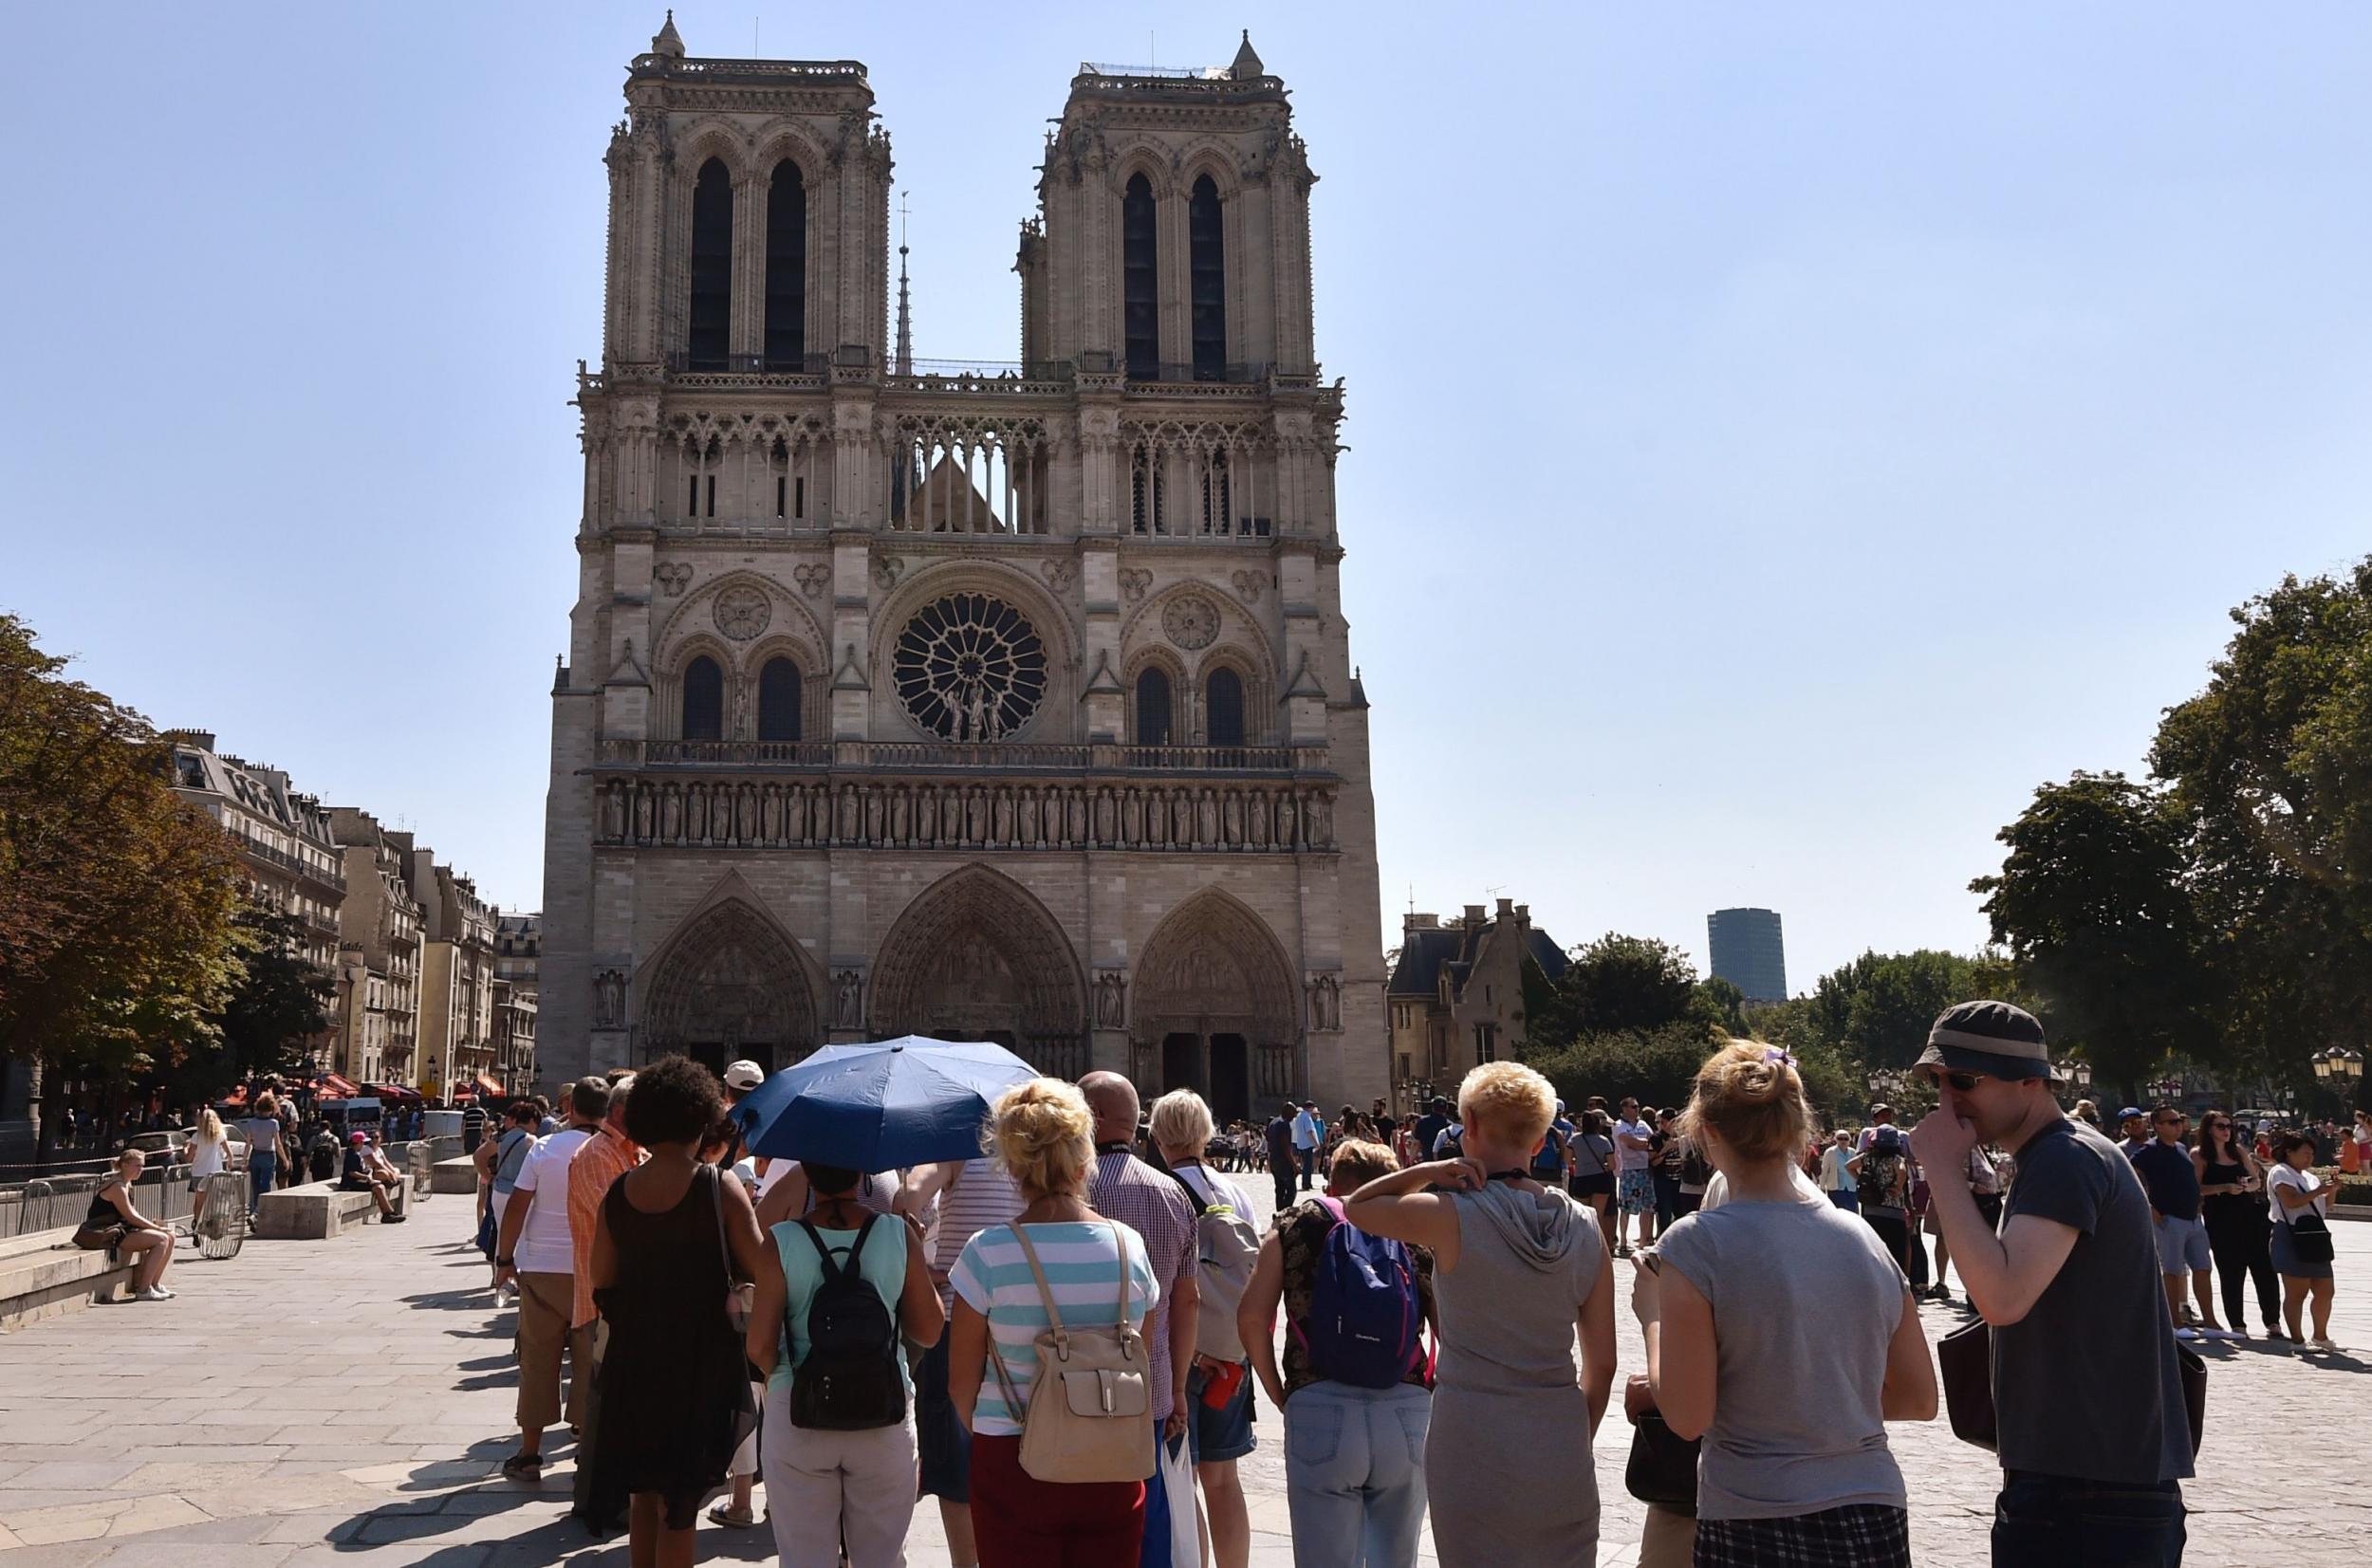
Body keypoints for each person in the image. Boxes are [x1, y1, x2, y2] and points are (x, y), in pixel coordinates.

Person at [1907, 1001, 2191, 1566]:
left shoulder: (2065, 1158)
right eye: (1936, 1082)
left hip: (2089, 1488)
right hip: (2085, 1479)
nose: (1947, 1100)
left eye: (1963, 1079)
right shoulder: (2058, 1155)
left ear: (2031, 1081)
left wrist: (1940, 1169)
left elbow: (2002, 1297)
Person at [1636, 1042, 1935, 1565]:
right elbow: (1917, 1398)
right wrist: (1820, 1401)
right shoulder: (1863, 1239)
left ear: (1706, 1132)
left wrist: (1652, 1315)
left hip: (1755, 1510)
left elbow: (1687, 1415)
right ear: (1798, 1131)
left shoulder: (1695, 1243)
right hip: (1873, 1508)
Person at [1345, 1061, 1615, 1568]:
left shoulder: (1452, 1215)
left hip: (1473, 1433)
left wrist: (1428, 1170)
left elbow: (1357, 1205)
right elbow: (1603, 1364)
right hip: (1557, 1433)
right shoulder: (1584, 1227)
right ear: (1540, 1142)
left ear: (1467, 1126)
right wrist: (1574, 1436)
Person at [947, 1078, 1159, 1568]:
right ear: (1085, 1157)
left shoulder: (987, 1253)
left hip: (1013, 1456)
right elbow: (1138, 1364)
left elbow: (961, 1387)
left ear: (1012, 1165)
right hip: (1111, 1455)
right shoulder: (1130, 1248)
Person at [583, 1056, 765, 1561]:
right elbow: (759, 1267)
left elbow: (601, 1276)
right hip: (698, 1363)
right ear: (700, 1118)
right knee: (680, 1505)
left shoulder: (619, 1192)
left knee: (643, 1495)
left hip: (634, 1359)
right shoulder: (717, 1185)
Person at [1239, 1136, 1436, 1568]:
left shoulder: (1296, 1222)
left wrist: (1281, 1392)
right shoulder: (1414, 1230)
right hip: (1405, 1407)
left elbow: (1252, 1318)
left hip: (1320, 1403)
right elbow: (1451, 1330)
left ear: (1333, 1182)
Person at [749, 1156, 944, 1568]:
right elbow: (929, 1330)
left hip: (800, 1406)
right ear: (861, 1175)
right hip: (883, 1408)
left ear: (805, 1174)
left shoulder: (781, 1240)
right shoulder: (896, 1233)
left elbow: (760, 1346)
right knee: (882, 1558)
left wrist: (778, 1375)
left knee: (804, 1558)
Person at [1080, 1072, 1200, 1568]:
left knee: (1087, 1523)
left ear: (1091, 1118)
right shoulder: (1173, 1195)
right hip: (1149, 1389)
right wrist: (1176, 1390)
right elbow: (1188, 1301)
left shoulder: (1072, 1193)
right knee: (1149, 1521)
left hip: (1076, 1389)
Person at [897, 1153, 1027, 1568]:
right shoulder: (1026, 1159)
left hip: (957, 1321)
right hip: (1016, 1323)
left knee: (957, 1470)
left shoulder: (956, 1156)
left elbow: (905, 1200)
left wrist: (927, 1265)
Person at [1148, 1090, 1255, 1568]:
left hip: (1178, 1352)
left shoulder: (1155, 1189)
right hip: (1230, 1356)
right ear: (1207, 1133)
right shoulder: (1234, 1193)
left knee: (1180, 1476)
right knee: (1224, 1477)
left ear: (1155, 1134)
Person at [493, 1079, 604, 1480]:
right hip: (593, 1270)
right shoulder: (611, 1153)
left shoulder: (543, 1148)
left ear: (570, 1108)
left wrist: (504, 1260)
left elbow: (518, 1206)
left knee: (538, 1360)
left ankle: (530, 1453)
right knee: (590, 1363)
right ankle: (585, 1449)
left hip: (542, 1268)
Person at [2130, 1106, 2229, 1340]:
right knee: (2172, 1270)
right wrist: (2148, 1206)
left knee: (2203, 1268)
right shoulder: (2148, 1151)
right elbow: (2128, 1175)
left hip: (2193, 1218)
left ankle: (2211, 1321)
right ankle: (2173, 1322)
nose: (2178, 1125)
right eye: (2171, 1121)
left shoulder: (2182, 1148)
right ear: (2158, 1126)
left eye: (2179, 1121)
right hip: (2169, 1218)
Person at [2194, 1110, 2279, 1338]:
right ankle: (2237, 1323)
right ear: (2209, 1129)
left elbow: (2255, 1180)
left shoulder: (2238, 1151)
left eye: (2229, 1126)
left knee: (2264, 1268)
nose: (2226, 1131)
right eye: (2221, 1126)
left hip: (2250, 1216)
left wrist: (2247, 1186)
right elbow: (2196, 1188)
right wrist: (2224, 1188)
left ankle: (2272, 1321)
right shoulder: (2200, 1155)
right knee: (2231, 1271)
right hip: (2221, 1220)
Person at [2266, 1131, 2339, 1352]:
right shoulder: (2280, 1172)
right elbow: (2290, 1202)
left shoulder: (2310, 1177)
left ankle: (2320, 1336)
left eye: (2312, 1154)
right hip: (2291, 1232)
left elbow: (2323, 1207)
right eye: (2305, 1153)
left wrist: (2331, 1191)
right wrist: (2318, 1191)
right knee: (2297, 1291)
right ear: (2289, 1152)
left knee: (2325, 1289)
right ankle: (2297, 1340)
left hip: (2315, 1233)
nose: (2309, 1158)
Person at [73, 1149, 176, 1300]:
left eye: (142, 1166)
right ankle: (143, 1290)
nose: (140, 1170)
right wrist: (156, 1228)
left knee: (170, 1236)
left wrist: (154, 1227)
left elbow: (130, 1216)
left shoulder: (127, 1184)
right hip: (105, 1233)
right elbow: (131, 1216)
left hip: (119, 1229)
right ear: (125, 1165)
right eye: (137, 1166)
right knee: (161, 1239)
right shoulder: (118, 1186)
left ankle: (154, 1284)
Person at [1927, 1142, 2001, 1304]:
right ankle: (1973, 1292)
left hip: (1983, 1203)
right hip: (1971, 1203)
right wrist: (1974, 1186)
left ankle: (1979, 1291)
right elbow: (1951, 1175)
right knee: (1971, 1247)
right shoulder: (1960, 1149)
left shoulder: (1980, 1148)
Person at [486, 1102, 540, 1290]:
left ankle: (498, 1278)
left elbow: (483, 1156)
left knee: (502, 1232)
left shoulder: (504, 1138)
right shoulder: (530, 1140)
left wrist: (488, 1177)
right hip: (517, 1192)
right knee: (522, 1235)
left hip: (499, 1190)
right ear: (531, 1121)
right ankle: (516, 1279)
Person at [1567, 1109, 1619, 1252]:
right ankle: (1598, 1247)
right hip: (1600, 1179)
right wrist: (1602, 1165)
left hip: (1582, 1178)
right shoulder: (1604, 1141)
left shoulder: (1574, 1140)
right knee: (1598, 1215)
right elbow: (1612, 1165)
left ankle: (1581, 1246)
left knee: (1582, 1215)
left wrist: (1580, 1161)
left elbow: (1568, 1160)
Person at [1612, 1097, 1656, 1256]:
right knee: (1626, 1207)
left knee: (1647, 1206)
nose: (1636, 1109)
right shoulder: (1619, 1126)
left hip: (1645, 1169)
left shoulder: (1643, 1124)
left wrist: (1641, 1144)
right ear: (1624, 1108)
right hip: (1629, 1171)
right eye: (1633, 1107)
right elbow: (1630, 1143)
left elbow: (1654, 1142)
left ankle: (1642, 1243)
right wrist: (1644, 1144)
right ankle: (1623, 1241)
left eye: (1637, 1107)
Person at [236, 1094, 288, 1220]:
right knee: (265, 1185)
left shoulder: (251, 1123)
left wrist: (244, 1161)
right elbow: (278, 1144)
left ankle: (254, 1210)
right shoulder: (273, 1123)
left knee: (255, 1185)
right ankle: (258, 1213)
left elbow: (248, 1144)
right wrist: (285, 1159)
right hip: (268, 1155)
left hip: (255, 1154)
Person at [184, 1108, 233, 1231]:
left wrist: (184, 1149)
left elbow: (188, 1158)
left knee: (199, 1201)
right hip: (215, 1172)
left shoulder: (196, 1136)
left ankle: (197, 1222)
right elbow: (229, 1153)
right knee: (214, 1200)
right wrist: (230, 1162)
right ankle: (211, 1223)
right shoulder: (220, 1134)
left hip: (199, 1172)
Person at [339, 1132, 402, 1222]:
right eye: (363, 1143)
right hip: (351, 1183)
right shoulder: (351, 1155)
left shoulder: (357, 1153)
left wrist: (369, 1173)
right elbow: (351, 1173)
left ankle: (388, 1213)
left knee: (380, 1186)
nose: (364, 1145)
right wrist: (367, 1178)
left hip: (359, 1180)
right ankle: (388, 1213)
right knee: (379, 1188)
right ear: (358, 1143)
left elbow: (364, 1168)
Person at [1265, 1104, 1300, 1213]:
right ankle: (1285, 1212)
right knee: (1291, 1190)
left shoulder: (1273, 1122)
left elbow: (1269, 1141)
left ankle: (1279, 1212)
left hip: (1274, 1160)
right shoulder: (1284, 1124)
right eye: (1293, 1114)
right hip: (1283, 1162)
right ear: (1288, 1112)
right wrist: (1294, 1165)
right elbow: (1285, 1146)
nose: (1294, 1117)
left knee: (1279, 1189)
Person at [1818, 1129, 1859, 1211]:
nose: (1843, 1141)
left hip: (1851, 1188)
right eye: (1840, 1138)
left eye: (1846, 1139)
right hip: (1836, 1189)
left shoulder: (1853, 1152)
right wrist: (1822, 1187)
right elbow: (1824, 1170)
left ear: (1849, 1141)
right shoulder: (1830, 1152)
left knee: (1853, 1214)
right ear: (1836, 1139)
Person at [1291, 1101, 1325, 1191]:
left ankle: (1306, 1183)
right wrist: (1316, 1143)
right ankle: (1306, 1184)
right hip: (1308, 1143)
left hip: (1301, 1143)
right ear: (1310, 1108)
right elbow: (1310, 1131)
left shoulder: (1299, 1117)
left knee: (1305, 1164)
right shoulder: (1307, 1117)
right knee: (1308, 1165)